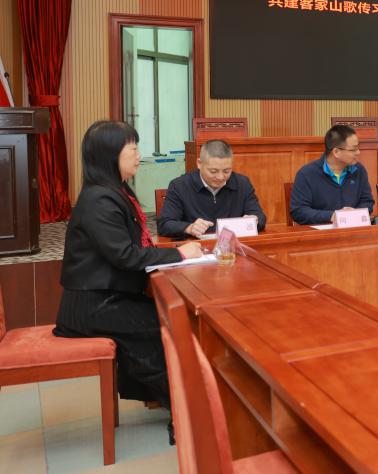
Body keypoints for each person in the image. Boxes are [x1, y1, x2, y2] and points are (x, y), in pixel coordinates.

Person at [54, 121, 204, 418]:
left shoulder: (114, 191)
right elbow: (124, 255)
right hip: (93, 305)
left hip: (108, 297)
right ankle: (185, 412)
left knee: (167, 316)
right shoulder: (99, 199)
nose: (138, 155)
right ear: (110, 155)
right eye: (132, 149)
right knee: (170, 322)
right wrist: (179, 254)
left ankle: (175, 402)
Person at [156, 139, 266, 239]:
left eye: (226, 171)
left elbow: (260, 217)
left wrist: (254, 220)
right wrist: (189, 227)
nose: (220, 177)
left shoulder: (242, 183)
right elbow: (164, 224)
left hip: (233, 247)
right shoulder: (180, 186)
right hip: (195, 248)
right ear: (199, 164)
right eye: (213, 171)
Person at [290, 124, 374, 224]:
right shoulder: (307, 174)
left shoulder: (359, 170)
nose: (358, 152)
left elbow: (367, 202)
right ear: (336, 152)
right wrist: (332, 216)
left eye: (358, 147)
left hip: (353, 229)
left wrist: (354, 213)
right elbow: (298, 211)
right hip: (320, 231)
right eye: (354, 149)